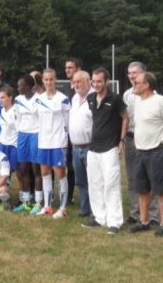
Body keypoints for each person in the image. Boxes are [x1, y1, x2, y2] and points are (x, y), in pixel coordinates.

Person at [81, 67, 127, 234]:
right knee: (95, 184)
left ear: (106, 81)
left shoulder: (115, 98)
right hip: (93, 149)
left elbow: (125, 117)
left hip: (110, 148)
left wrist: (122, 140)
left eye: (99, 81)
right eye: (94, 81)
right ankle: (99, 218)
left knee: (111, 184)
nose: (96, 84)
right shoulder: (91, 98)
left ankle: (115, 222)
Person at [123, 62, 159, 225]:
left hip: (154, 148)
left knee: (156, 185)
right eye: (130, 74)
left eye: (135, 75)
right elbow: (126, 120)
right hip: (136, 145)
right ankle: (139, 217)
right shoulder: (131, 98)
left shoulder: (157, 99)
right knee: (138, 183)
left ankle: (156, 219)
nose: (132, 78)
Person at [128, 72, 163, 236]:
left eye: (137, 82)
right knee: (142, 189)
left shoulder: (159, 101)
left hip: (157, 151)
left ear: (147, 85)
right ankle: (144, 221)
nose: (134, 84)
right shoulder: (138, 102)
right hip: (140, 152)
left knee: (160, 191)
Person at [35, 69, 70, 219]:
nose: (49, 82)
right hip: (43, 142)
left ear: (56, 80)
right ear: (43, 81)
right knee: (45, 173)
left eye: (51, 79)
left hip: (58, 141)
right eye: (46, 80)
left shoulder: (63, 99)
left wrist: (65, 138)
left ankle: (62, 208)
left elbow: (68, 120)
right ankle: (47, 206)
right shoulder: (39, 99)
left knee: (61, 174)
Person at [13, 75, 42, 213]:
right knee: (23, 169)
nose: (18, 88)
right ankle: (25, 201)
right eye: (18, 85)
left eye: (21, 85)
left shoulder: (39, 99)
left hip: (35, 135)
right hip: (22, 135)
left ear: (29, 86)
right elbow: (17, 118)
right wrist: (20, 132)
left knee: (36, 169)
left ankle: (38, 202)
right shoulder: (18, 100)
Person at [68, 71, 93, 218]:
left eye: (80, 81)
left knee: (94, 180)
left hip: (90, 146)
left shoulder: (94, 97)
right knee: (81, 181)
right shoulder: (74, 98)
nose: (77, 84)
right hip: (76, 147)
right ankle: (85, 209)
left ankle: (95, 211)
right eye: (75, 82)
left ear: (88, 82)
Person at [62, 57, 83, 206]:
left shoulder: (82, 90)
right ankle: (67, 196)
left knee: (74, 167)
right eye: (66, 68)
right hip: (64, 133)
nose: (67, 70)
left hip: (78, 134)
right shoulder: (64, 89)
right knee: (66, 164)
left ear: (78, 69)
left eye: (70, 67)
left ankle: (73, 196)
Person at [0, 86, 18, 180]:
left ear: (10, 97)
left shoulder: (16, 110)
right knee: (4, 170)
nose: (0, 100)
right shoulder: (2, 110)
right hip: (3, 144)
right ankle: (5, 188)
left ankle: (24, 192)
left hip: (14, 144)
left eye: (3, 97)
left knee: (18, 171)